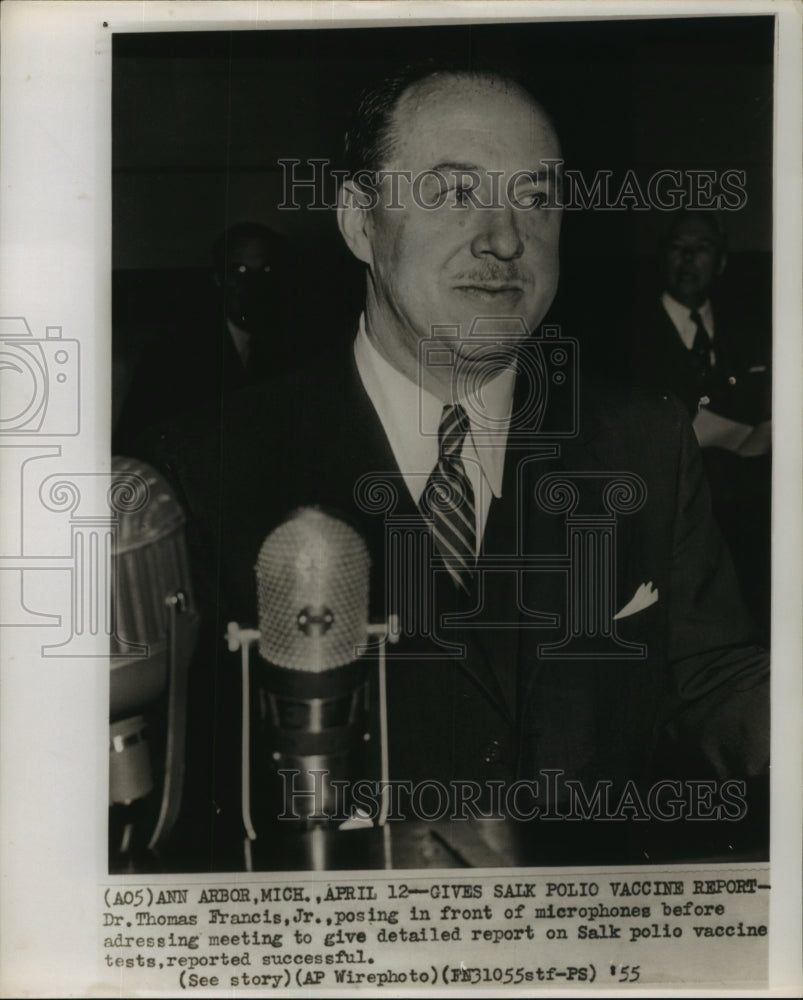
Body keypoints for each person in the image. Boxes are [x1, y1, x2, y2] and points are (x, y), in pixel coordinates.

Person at [140, 64, 769, 869]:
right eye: (451, 193)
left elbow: (709, 673)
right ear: (360, 222)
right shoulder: (205, 468)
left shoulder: (640, 440)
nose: (505, 238)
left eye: (536, 198)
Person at [630, 210, 772, 636]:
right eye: (678, 247)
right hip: (661, 528)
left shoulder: (753, 332)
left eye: (702, 248)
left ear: (722, 263)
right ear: (662, 257)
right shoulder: (627, 336)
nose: (688, 259)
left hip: (745, 534)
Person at [113, 222, 294, 453]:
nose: (254, 286)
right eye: (239, 271)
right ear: (218, 279)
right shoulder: (174, 351)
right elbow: (136, 441)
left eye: (266, 270)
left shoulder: (295, 346)